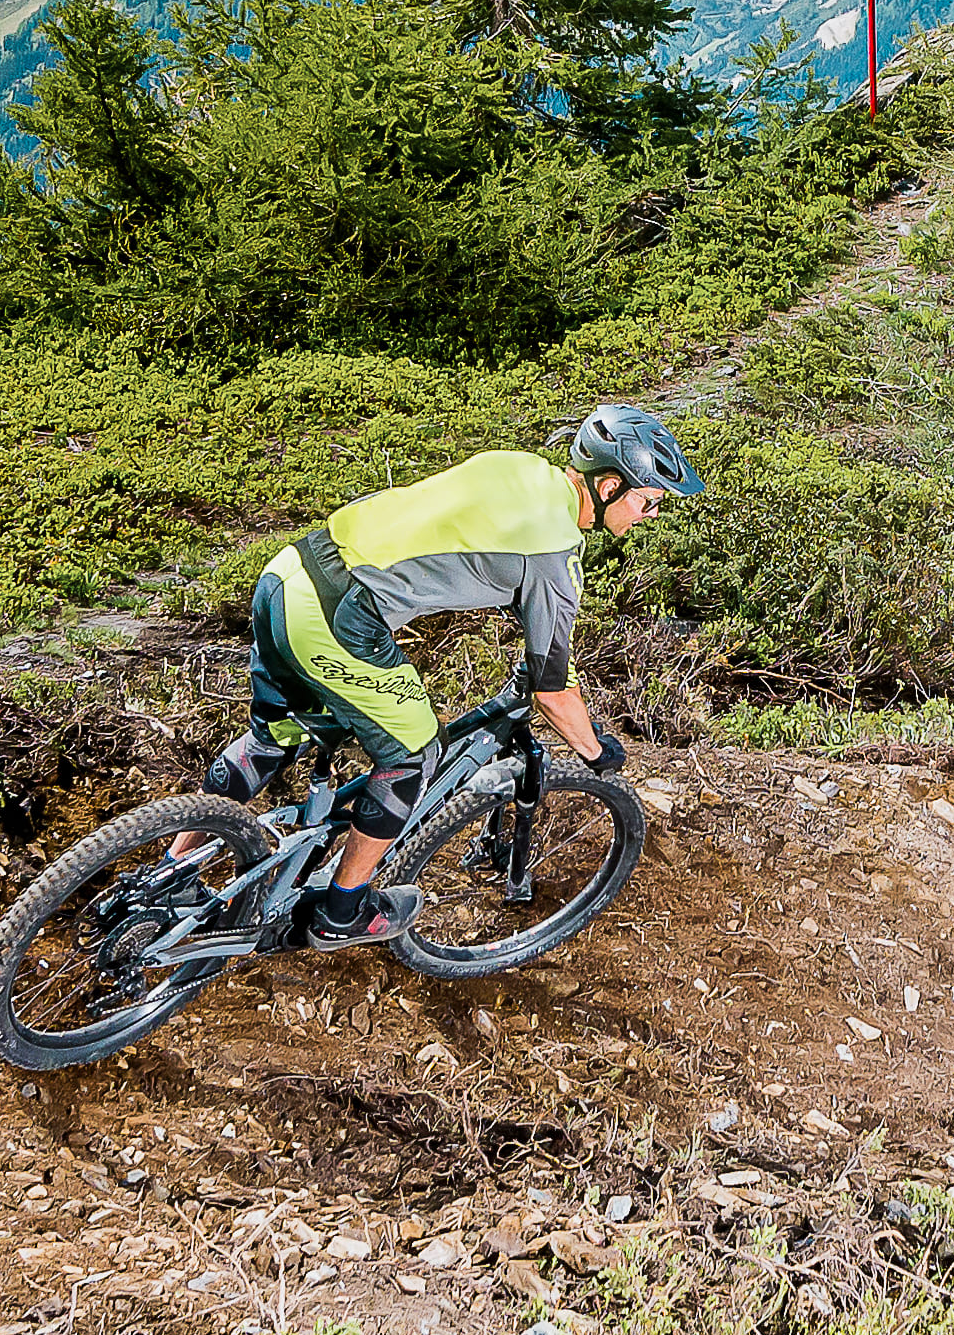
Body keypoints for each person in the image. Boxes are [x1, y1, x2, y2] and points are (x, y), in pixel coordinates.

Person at [249, 399, 702, 947]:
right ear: (609, 487)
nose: (650, 516)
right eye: (648, 502)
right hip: (337, 615)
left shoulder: (523, 470)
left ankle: (176, 867)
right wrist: (595, 751)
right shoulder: (555, 550)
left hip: (289, 575)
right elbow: (552, 690)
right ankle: (341, 911)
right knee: (413, 754)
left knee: (271, 738)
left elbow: (463, 542)